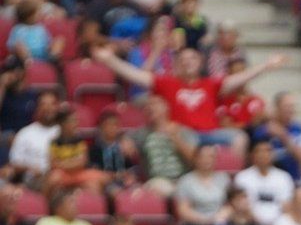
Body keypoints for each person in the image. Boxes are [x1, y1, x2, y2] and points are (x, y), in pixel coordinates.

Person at [92, 43, 287, 157]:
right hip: (183, 135)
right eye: (183, 60)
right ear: (176, 64)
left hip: (210, 134)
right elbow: (135, 76)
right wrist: (110, 60)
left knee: (239, 138)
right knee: (194, 144)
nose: (188, 63)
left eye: (192, 59)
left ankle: (229, 178)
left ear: (200, 63)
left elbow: (240, 78)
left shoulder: (210, 84)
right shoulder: (166, 83)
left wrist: (266, 66)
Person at [134, 94, 197, 197]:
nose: (150, 107)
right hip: (159, 181)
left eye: (154, 104)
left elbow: (195, 161)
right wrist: (125, 141)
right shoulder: (141, 134)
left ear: (166, 107)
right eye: (147, 106)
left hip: (183, 179)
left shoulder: (183, 131)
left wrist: (177, 140)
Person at [174, 143, 231, 225]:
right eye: (202, 156)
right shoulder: (186, 181)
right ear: (195, 158)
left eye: (210, 157)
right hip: (196, 223)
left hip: (219, 221)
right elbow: (183, 210)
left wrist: (220, 217)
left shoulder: (224, 179)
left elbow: (230, 204)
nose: (207, 160)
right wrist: (206, 220)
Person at [46, 108, 107, 193]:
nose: (76, 124)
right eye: (73, 121)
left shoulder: (80, 141)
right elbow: (53, 164)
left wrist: (63, 163)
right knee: (53, 179)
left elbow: (82, 163)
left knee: (100, 180)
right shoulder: (54, 142)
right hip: (62, 175)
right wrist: (72, 163)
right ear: (63, 124)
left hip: (79, 174)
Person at [234, 139, 295, 225]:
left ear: (273, 154)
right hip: (251, 223)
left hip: (278, 224)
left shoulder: (284, 177)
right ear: (252, 155)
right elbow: (242, 206)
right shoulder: (242, 177)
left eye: (267, 151)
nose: (263, 155)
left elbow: (287, 206)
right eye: (259, 151)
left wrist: (275, 224)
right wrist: (259, 223)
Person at [253, 92, 301, 181]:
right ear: (277, 107)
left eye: (292, 106)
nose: (290, 110)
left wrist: (283, 135)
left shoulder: (299, 129)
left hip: (293, 178)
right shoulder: (265, 129)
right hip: (266, 178)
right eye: (286, 106)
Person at [5, 90, 58, 183]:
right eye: (44, 104)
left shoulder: (63, 131)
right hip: (35, 181)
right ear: (37, 108)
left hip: (63, 177)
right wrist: (29, 168)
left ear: (58, 107)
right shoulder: (25, 133)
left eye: (52, 104)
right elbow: (14, 163)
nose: (48, 108)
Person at [89, 107, 141, 190]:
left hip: (126, 181)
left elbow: (132, 167)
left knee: (138, 192)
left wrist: (130, 176)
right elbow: (95, 171)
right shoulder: (95, 149)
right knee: (114, 191)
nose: (112, 128)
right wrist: (114, 176)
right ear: (101, 127)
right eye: (108, 125)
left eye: (116, 125)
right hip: (107, 184)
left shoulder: (124, 147)